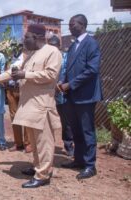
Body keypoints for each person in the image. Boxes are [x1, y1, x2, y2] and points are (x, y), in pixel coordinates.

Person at [11, 24, 62, 188]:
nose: (24, 40)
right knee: (34, 141)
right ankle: (37, 167)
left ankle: (43, 175)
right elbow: (16, 72)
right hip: (30, 105)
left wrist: (25, 74)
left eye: (27, 37)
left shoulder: (53, 52)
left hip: (42, 106)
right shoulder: (31, 54)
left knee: (44, 143)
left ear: (38, 37)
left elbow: (50, 75)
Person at [59, 14, 102, 180]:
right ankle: (78, 159)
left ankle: (90, 166)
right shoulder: (72, 46)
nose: (69, 27)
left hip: (86, 96)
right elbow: (69, 69)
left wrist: (70, 84)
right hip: (71, 96)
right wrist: (63, 81)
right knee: (75, 130)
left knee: (87, 131)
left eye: (72, 24)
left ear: (82, 24)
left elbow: (92, 70)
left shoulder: (91, 43)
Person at [48, 35, 74, 157]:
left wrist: (61, 84)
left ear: (59, 46)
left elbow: (68, 73)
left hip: (62, 95)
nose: (53, 48)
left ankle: (68, 145)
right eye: (50, 46)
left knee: (66, 122)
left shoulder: (66, 57)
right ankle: (47, 146)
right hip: (48, 95)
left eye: (55, 46)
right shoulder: (46, 58)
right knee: (47, 122)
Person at [5, 44, 32, 153]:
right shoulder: (8, 59)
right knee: (14, 117)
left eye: (17, 47)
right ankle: (18, 143)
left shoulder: (27, 58)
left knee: (25, 116)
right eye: (13, 47)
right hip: (11, 90)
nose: (14, 49)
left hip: (23, 90)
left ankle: (28, 143)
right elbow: (5, 73)